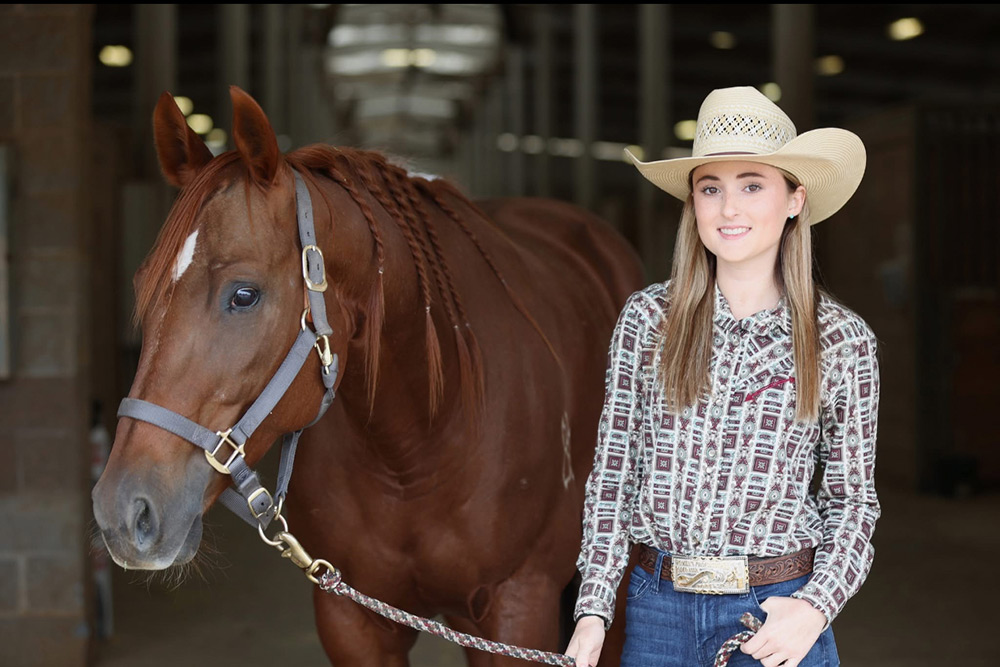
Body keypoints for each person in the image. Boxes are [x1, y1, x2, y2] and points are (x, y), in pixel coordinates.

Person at [564, 86, 880, 667]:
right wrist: (592, 612)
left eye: (752, 186)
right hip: (659, 609)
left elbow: (853, 502)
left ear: (794, 200)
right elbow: (612, 477)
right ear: (694, 205)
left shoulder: (841, 339)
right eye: (711, 189)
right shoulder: (647, 321)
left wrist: (814, 609)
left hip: (777, 610)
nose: (728, 208)